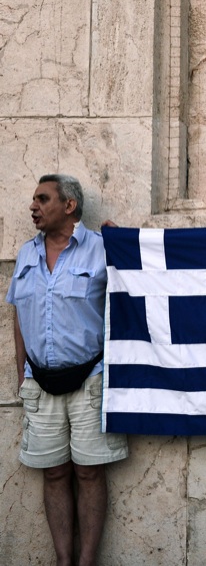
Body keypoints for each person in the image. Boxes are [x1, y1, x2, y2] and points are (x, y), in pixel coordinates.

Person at [7, 174, 128, 566]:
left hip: (90, 381)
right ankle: (64, 560)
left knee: (89, 473)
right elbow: (19, 315)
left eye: (43, 199)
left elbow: (143, 287)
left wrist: (126, 243)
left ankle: (87, 561)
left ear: (69, 205)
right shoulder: (27, 254)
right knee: (53, 473)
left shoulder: (101, 248)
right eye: (34, 199)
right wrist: (22, 372)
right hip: (40, 383)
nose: (33, 206)